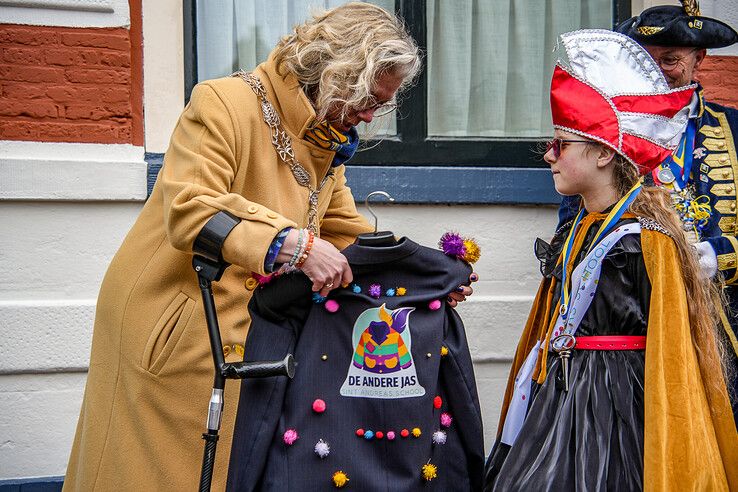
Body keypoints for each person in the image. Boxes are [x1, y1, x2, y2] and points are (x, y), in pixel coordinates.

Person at [63, 4, 473, 490]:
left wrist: (425, 280)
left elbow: (345, 231)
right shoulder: (221, 102)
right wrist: (294, 245)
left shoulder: (323, 136)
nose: (371, 115)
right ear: (336, 74)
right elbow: (192, 209)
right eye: (368, 99)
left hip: (251, 332)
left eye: (381, 104)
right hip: (179, 327)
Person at [485, 30, 738, 491]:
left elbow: (675, 356)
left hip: (621, 407)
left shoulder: (648, 240)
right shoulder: (580, 227)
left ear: (603, 153)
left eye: (561, 144)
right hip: (561, 396)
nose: (548, 155)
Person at [558, 1, 738, 419]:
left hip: (727, 327)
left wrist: (714, 257)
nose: (658, 71)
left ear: (699, 60)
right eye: (648, 60)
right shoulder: (605, 134)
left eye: (671, 60)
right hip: (638, 329)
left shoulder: (735, 129)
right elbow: (571, 233)